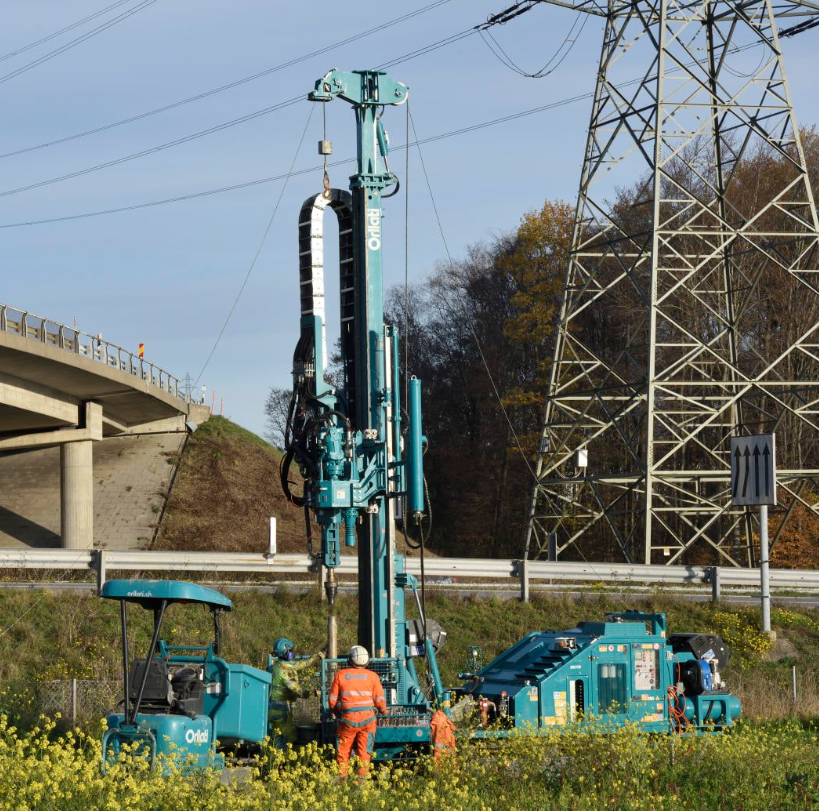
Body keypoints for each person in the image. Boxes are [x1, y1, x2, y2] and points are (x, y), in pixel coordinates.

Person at [328, 645, 386, 778]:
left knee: (343, 751)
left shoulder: (340, 675)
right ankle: (361, 782)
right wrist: (383, 711)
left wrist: (338, 714)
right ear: (367, 661)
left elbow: (332, 700)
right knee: (365, 753)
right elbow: (379, 700)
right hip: (368, 720)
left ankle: (341, 779)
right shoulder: (373, 676)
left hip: (348, 719)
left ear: (350, 660)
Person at [269, 637, 324, 746]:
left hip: (273, 706)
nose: (293, 653)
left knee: (276, 736)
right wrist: (315, 693)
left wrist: (318, 656)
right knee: (285, 737)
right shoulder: (286, 671)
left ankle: (276, 758)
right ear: (287, 653)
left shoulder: (277, 665)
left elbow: (303, 664)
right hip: (282, 709)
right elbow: (299, 691)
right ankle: (280, 761)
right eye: (291, 650)